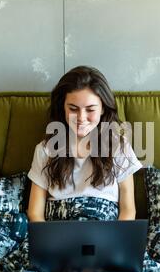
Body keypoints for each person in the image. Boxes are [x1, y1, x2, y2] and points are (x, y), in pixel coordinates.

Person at [26, 65, 142, 222]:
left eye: (90, 109)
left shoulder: (118, 147)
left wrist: (116, 242)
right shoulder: (45, 150)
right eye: (73, 108)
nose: (81, 118)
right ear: (63, 108)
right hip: (59, 235)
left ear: (102, 109)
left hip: (105, 235)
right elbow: (35, 213)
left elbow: (128, 210)